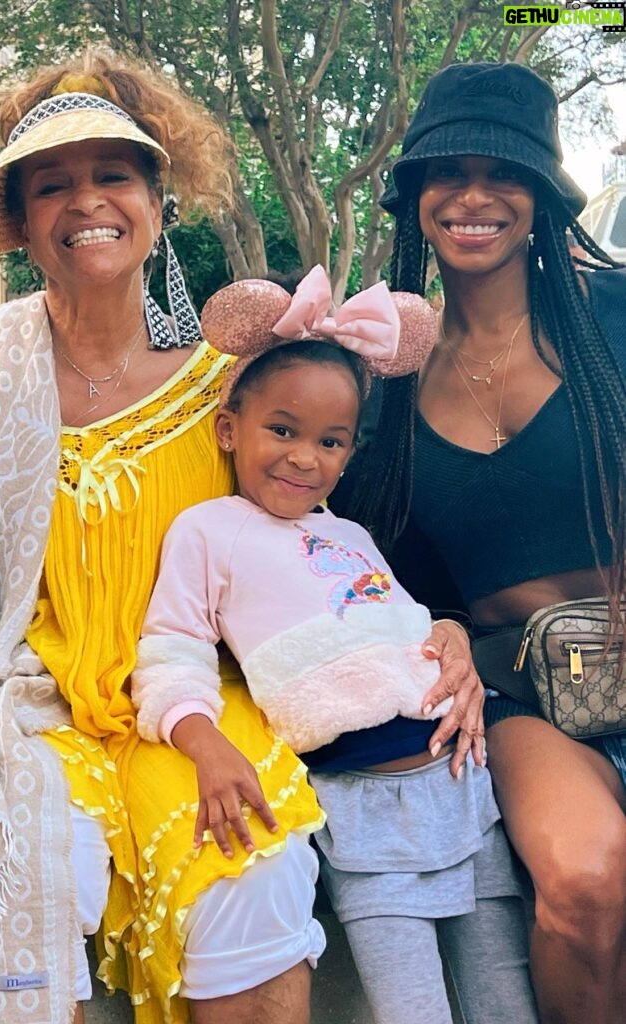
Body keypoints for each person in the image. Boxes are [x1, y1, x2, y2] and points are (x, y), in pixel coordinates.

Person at [0, 49, 483, 1024]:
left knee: (248, 875)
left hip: (205, 701)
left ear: (155, 199)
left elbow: (338, 528)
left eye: (112, 175)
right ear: (22, 224)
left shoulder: (227, 385)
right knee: (25, 885)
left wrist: (449, 629)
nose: (85, 201)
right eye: (53, 184)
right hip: (37, 700)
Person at [131, 268, 538, 1024]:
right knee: (411, 1011)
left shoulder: (349, 535)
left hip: (462, 786)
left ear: (349, 453)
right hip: (362, 808)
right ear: (230, 429)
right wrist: (205, 744)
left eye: (329, 441)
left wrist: (449, 640)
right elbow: (171, 652)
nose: (303, 457)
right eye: (280, 430)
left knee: (504, 1003)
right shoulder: (208, 531)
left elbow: (402, 621)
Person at [336, 62, 626, 1024]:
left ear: (541, 197)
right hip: (520, 693)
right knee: (585, 881)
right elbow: (376, 558)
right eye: (444, 174)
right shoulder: (380, 372)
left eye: (501, 173)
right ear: (412, 198)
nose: (471, 197)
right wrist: (442, 628)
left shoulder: (613, 320)